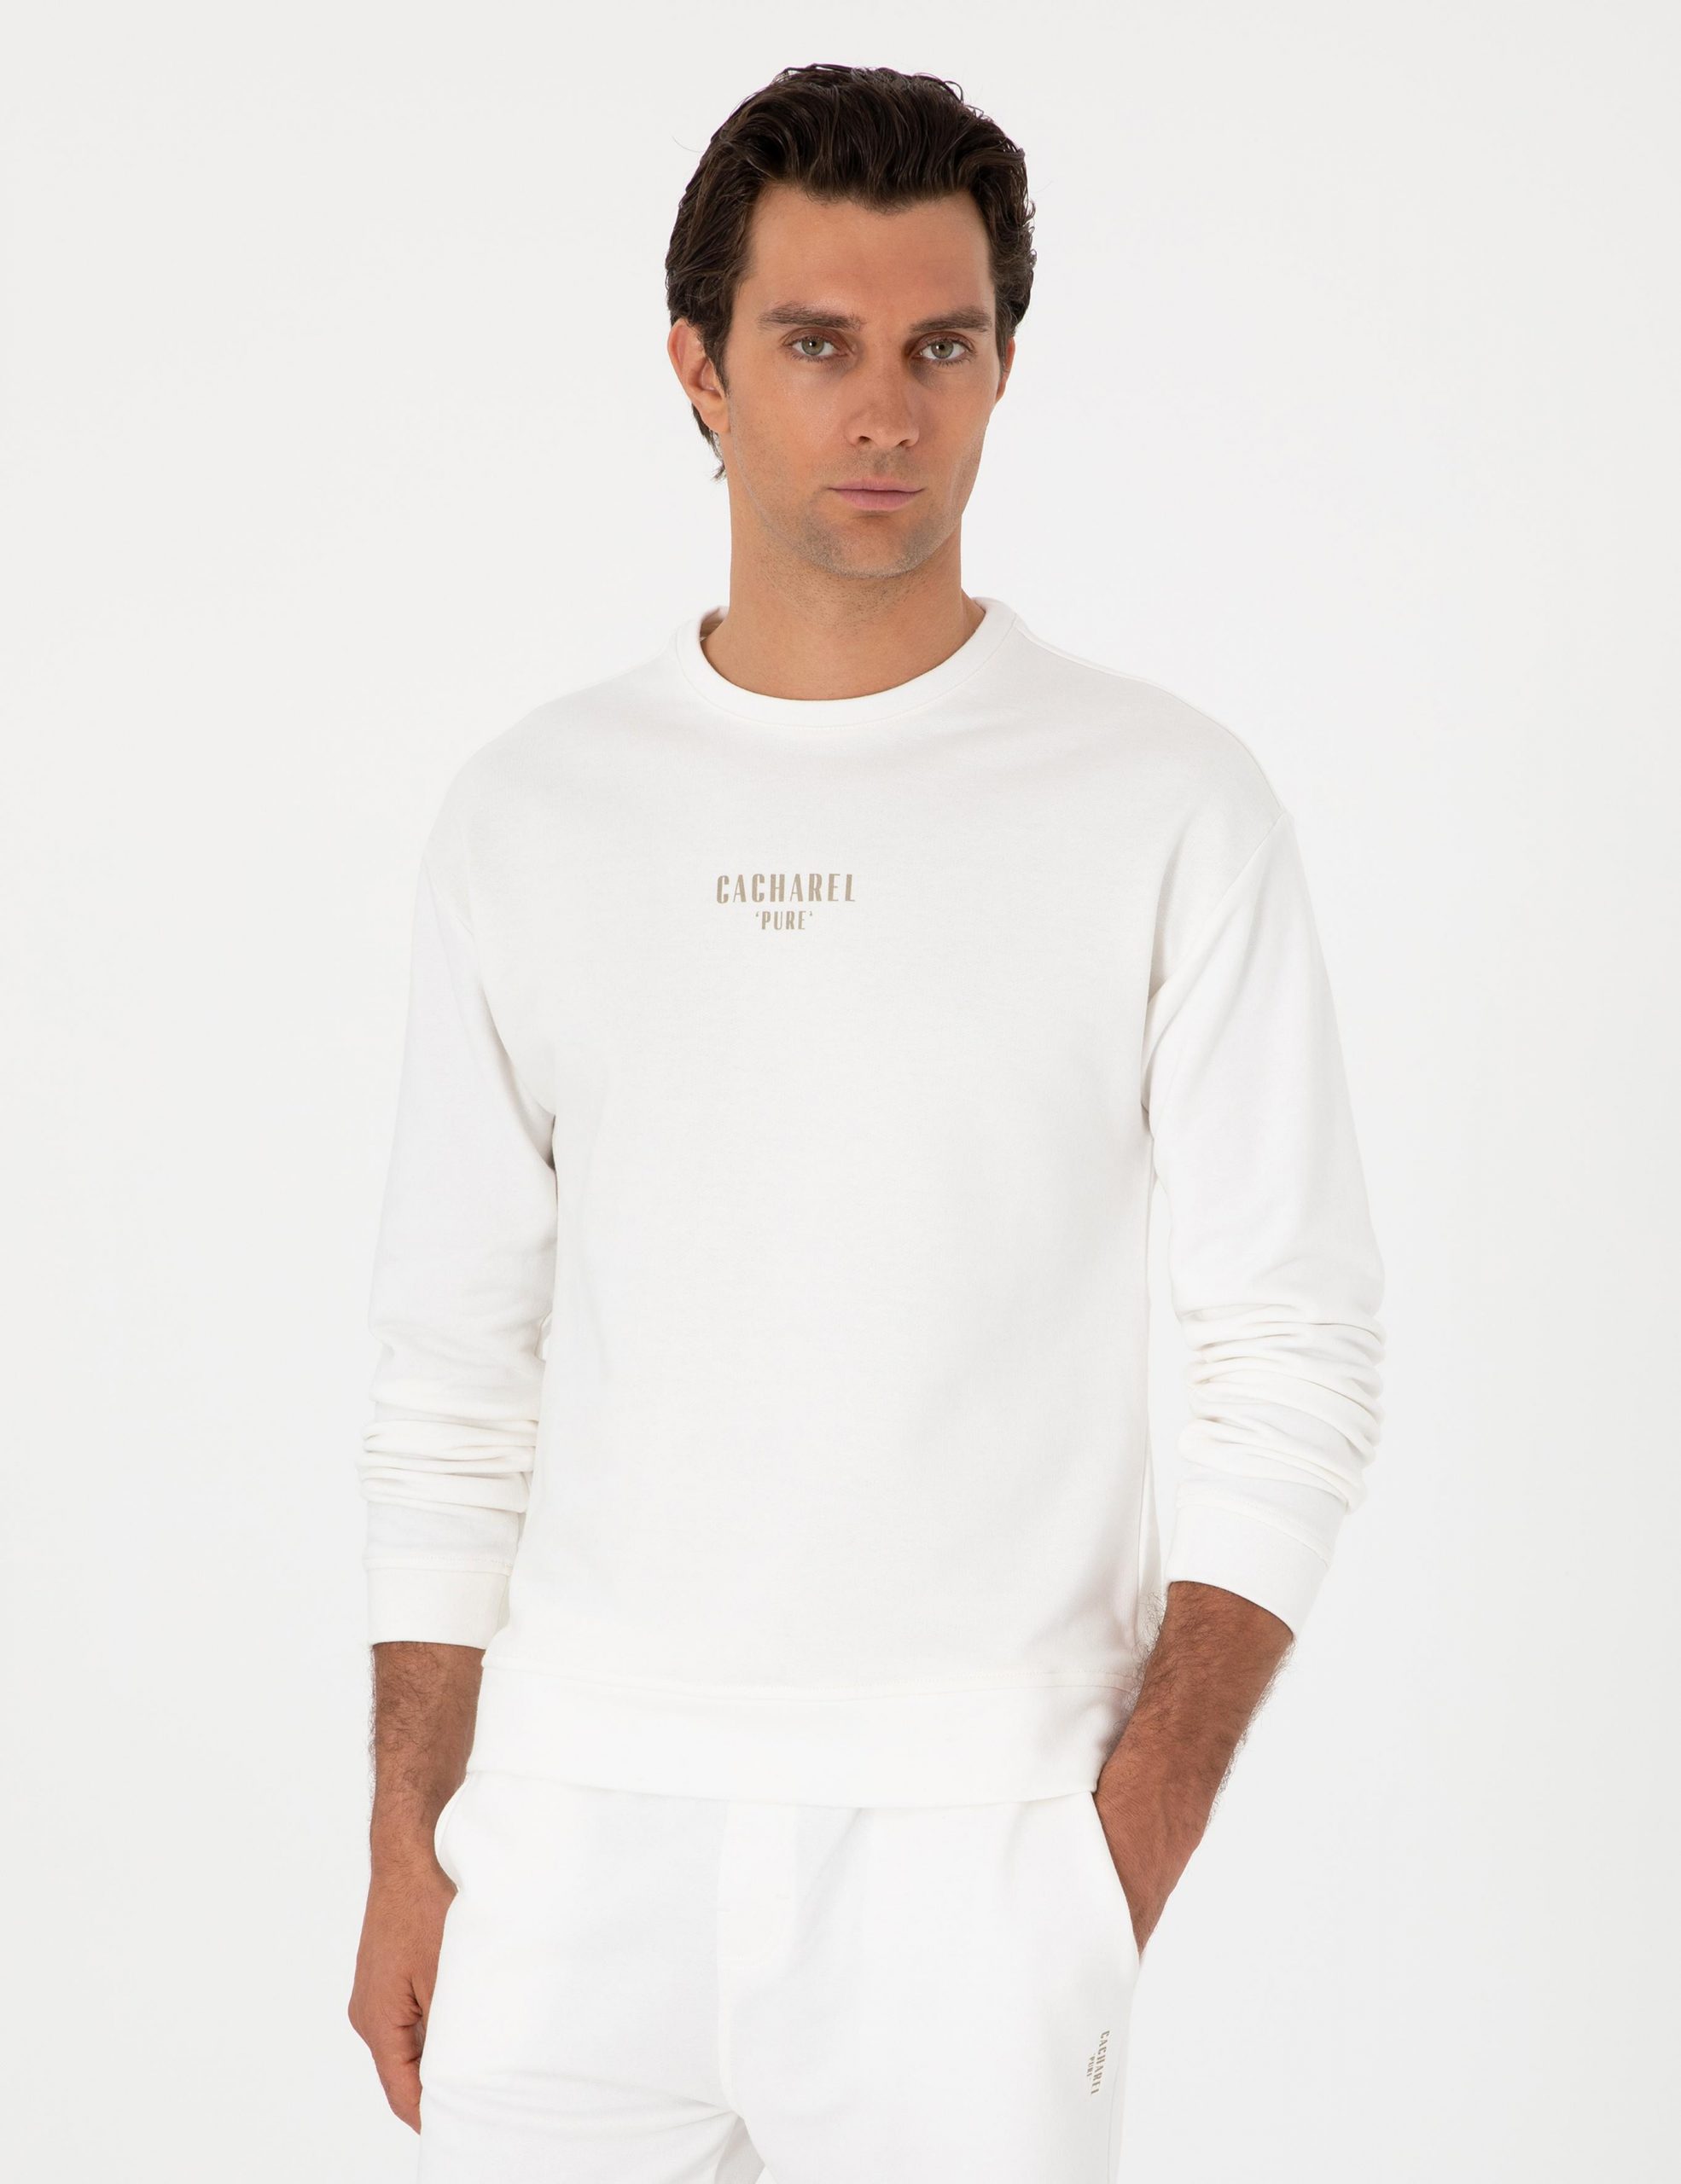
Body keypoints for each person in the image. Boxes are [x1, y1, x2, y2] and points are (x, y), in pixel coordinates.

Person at [346, 61, 1386, 2184]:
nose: (887, 412)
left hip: (976, 1853)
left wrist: (1125, 1836)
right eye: (817, 345)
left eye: (942, 347)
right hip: (568, 1840)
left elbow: (1296, 1343)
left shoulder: (1159, 799)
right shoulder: (534, 813)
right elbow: (454, 1367)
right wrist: (408, 1838)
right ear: (698, 369)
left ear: (1004, 368)